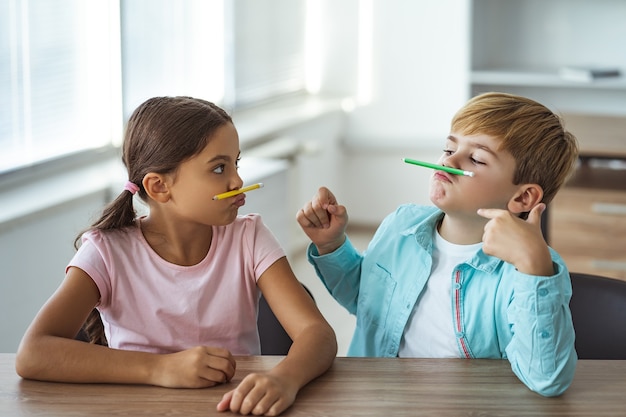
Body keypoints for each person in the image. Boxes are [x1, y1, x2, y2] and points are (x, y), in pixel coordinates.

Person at [16, 96, 337, 416]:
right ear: (159, 187)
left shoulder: (249, 237)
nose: (238, 181)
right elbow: (33, 353)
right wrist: (161, 369)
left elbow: (317, 334)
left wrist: (284, 378)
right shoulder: (106, 252)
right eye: (219, 168)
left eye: (236, 164)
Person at [296, 92, 579, 397]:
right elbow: (364, 300)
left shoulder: (533, 268)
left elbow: (547, 380)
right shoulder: (401, 224)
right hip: (378, 398)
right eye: (449, 147)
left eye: (476, 158)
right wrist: (332, 245)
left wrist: (534, 268)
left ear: (522, 198)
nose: (450, 160)